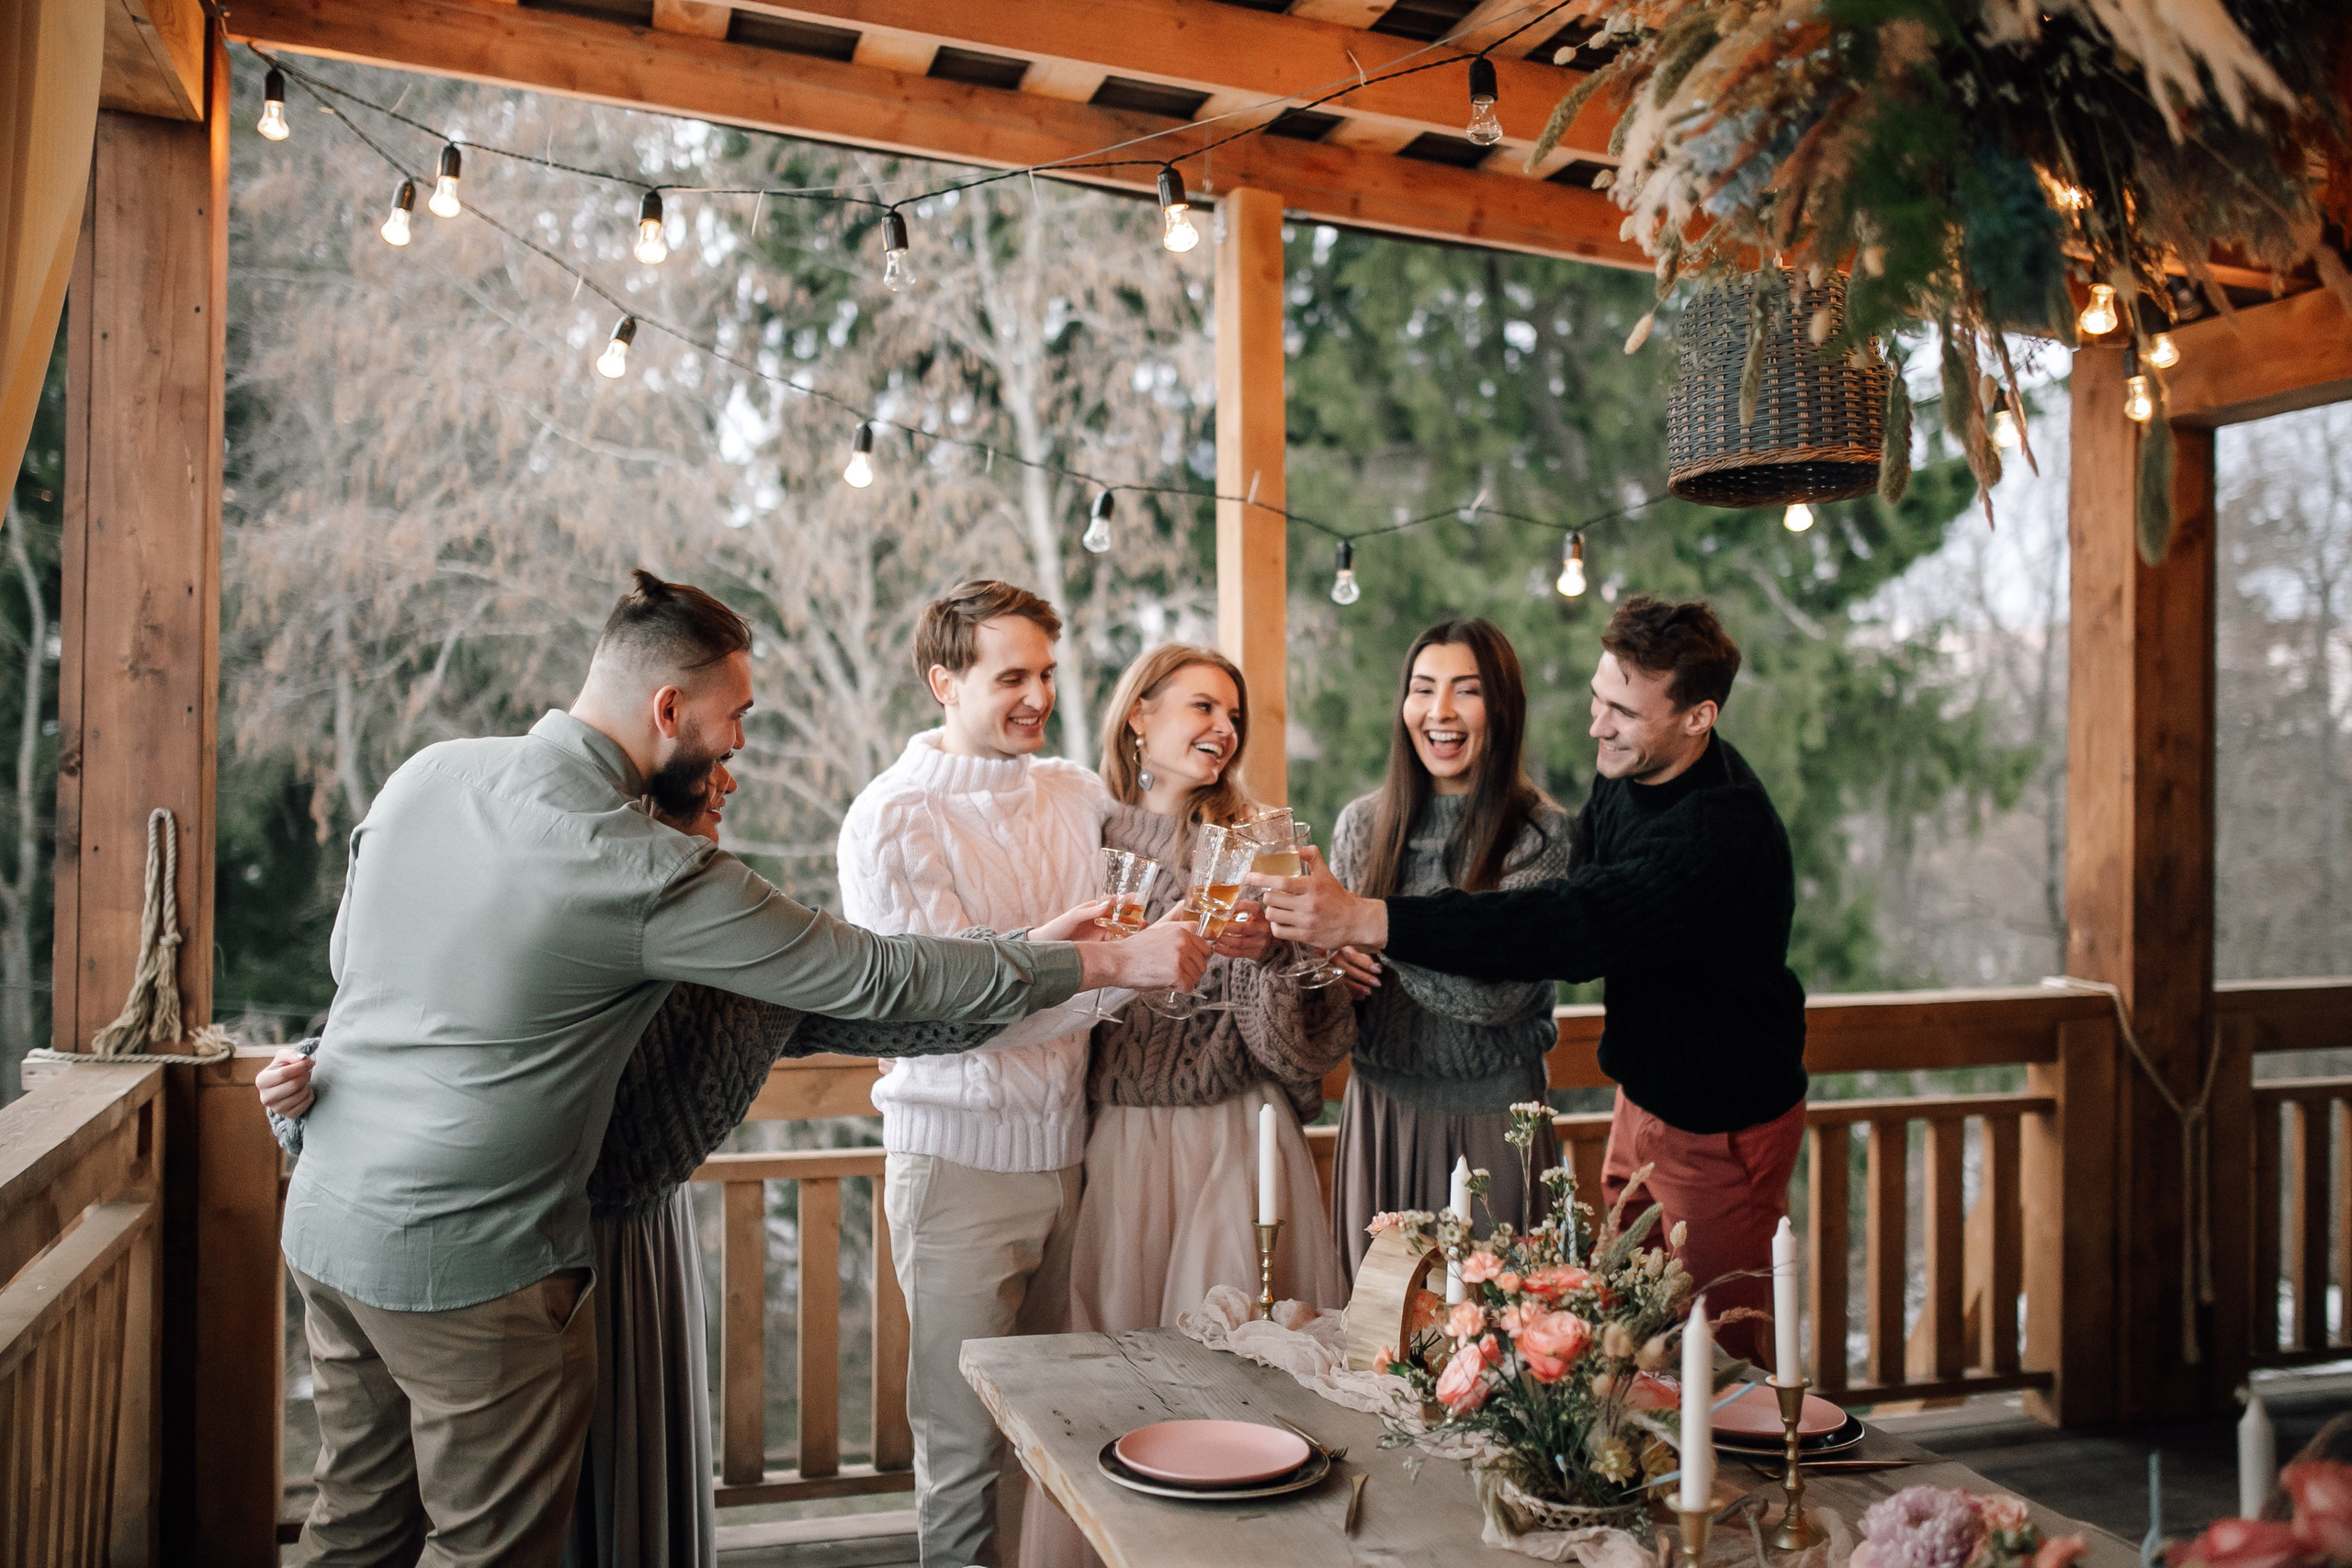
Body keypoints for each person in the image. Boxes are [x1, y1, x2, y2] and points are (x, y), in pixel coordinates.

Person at [254, 570, 1203, 1568]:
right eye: (735, 714)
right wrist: (1102, 962)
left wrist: (315, 1065)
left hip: (325, 1223)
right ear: (669, 708)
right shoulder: (641, 866)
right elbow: (875, 972)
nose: (742, 742)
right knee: (487, 1552)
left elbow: (358, 973)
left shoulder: (428, 775)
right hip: (471, 1260)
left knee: (352, 1529)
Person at [1250, 595, 1807, 1366]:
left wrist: (1369, 921)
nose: (1596, 725)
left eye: (1623, 711)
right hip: (1641, 1100)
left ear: (1697, 716)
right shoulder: (1633, 769)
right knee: (1630, 1347)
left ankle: (1740, 1475)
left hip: (1719, 1121)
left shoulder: (1709, 839)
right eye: (1596, 697)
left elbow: (1554, 930)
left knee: (1721, 1356)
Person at [834, 581, 1117, 1568]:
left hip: (1070, 1158)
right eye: (1011, 677)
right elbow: (935, 1022)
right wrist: (1123, 972)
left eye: (1045, 673)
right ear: (941, 682)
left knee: (1055, 1439)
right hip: (954, 1171)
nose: (1036, 696)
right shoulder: (892, 819)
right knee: (961, 1452)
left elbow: (1151, 895)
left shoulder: (1078, 793)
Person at [1070, 644, 1352, 1328]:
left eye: (1234, 714)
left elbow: (1302, 1047)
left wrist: (1276, 959)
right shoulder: (1085, 835)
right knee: (1126, 1356)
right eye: (1204, 705)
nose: (1225, 727)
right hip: (1125, 1139)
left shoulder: (1255, 846)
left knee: (1239, 1355)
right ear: (1140, 713)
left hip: (1237, 1132)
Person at [1323, 619, 1573, 1279]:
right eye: (1422, 688)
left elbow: (1495, 996)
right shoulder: (1362, 825)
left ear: (1504, 708)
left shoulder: (1541, 837)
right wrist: (1325, 970)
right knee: (1379, 1346)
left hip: (1497, 1123)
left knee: (1501, 1352)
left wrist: (1368, 923)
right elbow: (1337, 989)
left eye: (1466, 690)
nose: (1439, 712)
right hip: (1381, 1116)